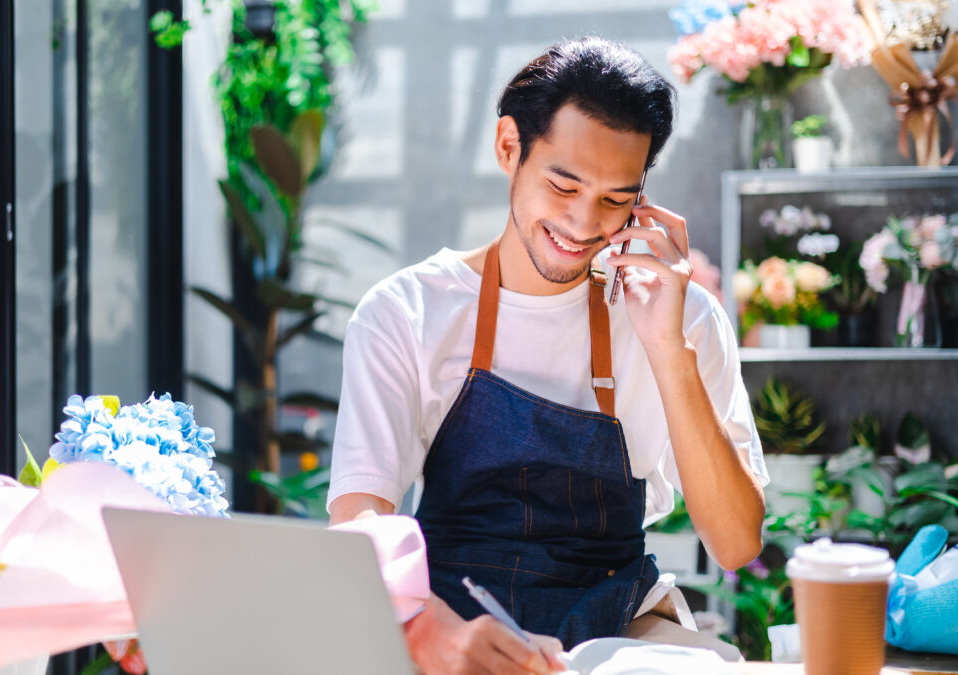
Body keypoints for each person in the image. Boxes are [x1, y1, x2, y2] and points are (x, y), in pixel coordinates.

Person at [327, 36, 768, 675]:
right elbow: (359, 519)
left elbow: (735, 542)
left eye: (616, 199)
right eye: (563, 184)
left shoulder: (684, 317)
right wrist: (431, 636)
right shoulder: (406, 312)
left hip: (616, 629)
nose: (584, 224)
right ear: (510, 146)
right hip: (451, 621)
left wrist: (668, 348)